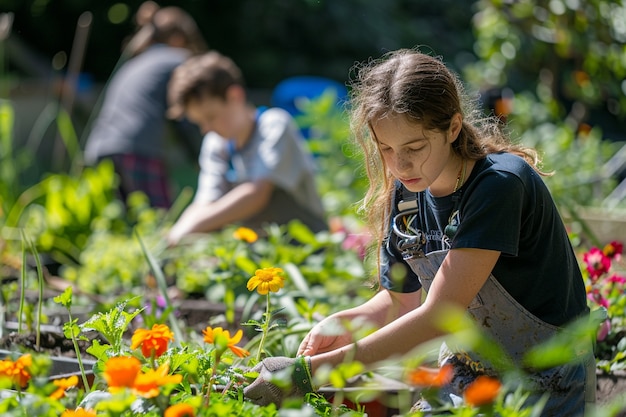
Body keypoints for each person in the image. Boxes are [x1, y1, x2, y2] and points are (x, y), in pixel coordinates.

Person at [243, 49, 595, 415]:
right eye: (387, 149)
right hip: (467, 376)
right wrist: (344, 322)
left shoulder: (499, 186)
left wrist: (309, 373)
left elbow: (441, 315)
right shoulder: (407, 194)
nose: (400, 164)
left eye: (415, 147)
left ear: (453, 127)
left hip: (546, 382)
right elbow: (399, 301)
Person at [165, 51, 327, 245]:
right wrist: (175, 235)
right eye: (199, 122)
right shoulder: (216, 142)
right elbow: (205, 203)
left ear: (235, 96)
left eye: (210, 117)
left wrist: (188, 230)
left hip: (310, 247)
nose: (206, 129)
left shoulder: (273, 125)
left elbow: (256, 194)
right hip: (263, 250)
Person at [83, 3, 207, 209]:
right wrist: (198, 157)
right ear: (178, 39)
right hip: (136, 149)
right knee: (158, 219)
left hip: (100, 147)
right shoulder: (176, 60)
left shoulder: (136, 62)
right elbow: (182, 118)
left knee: (121, 222)